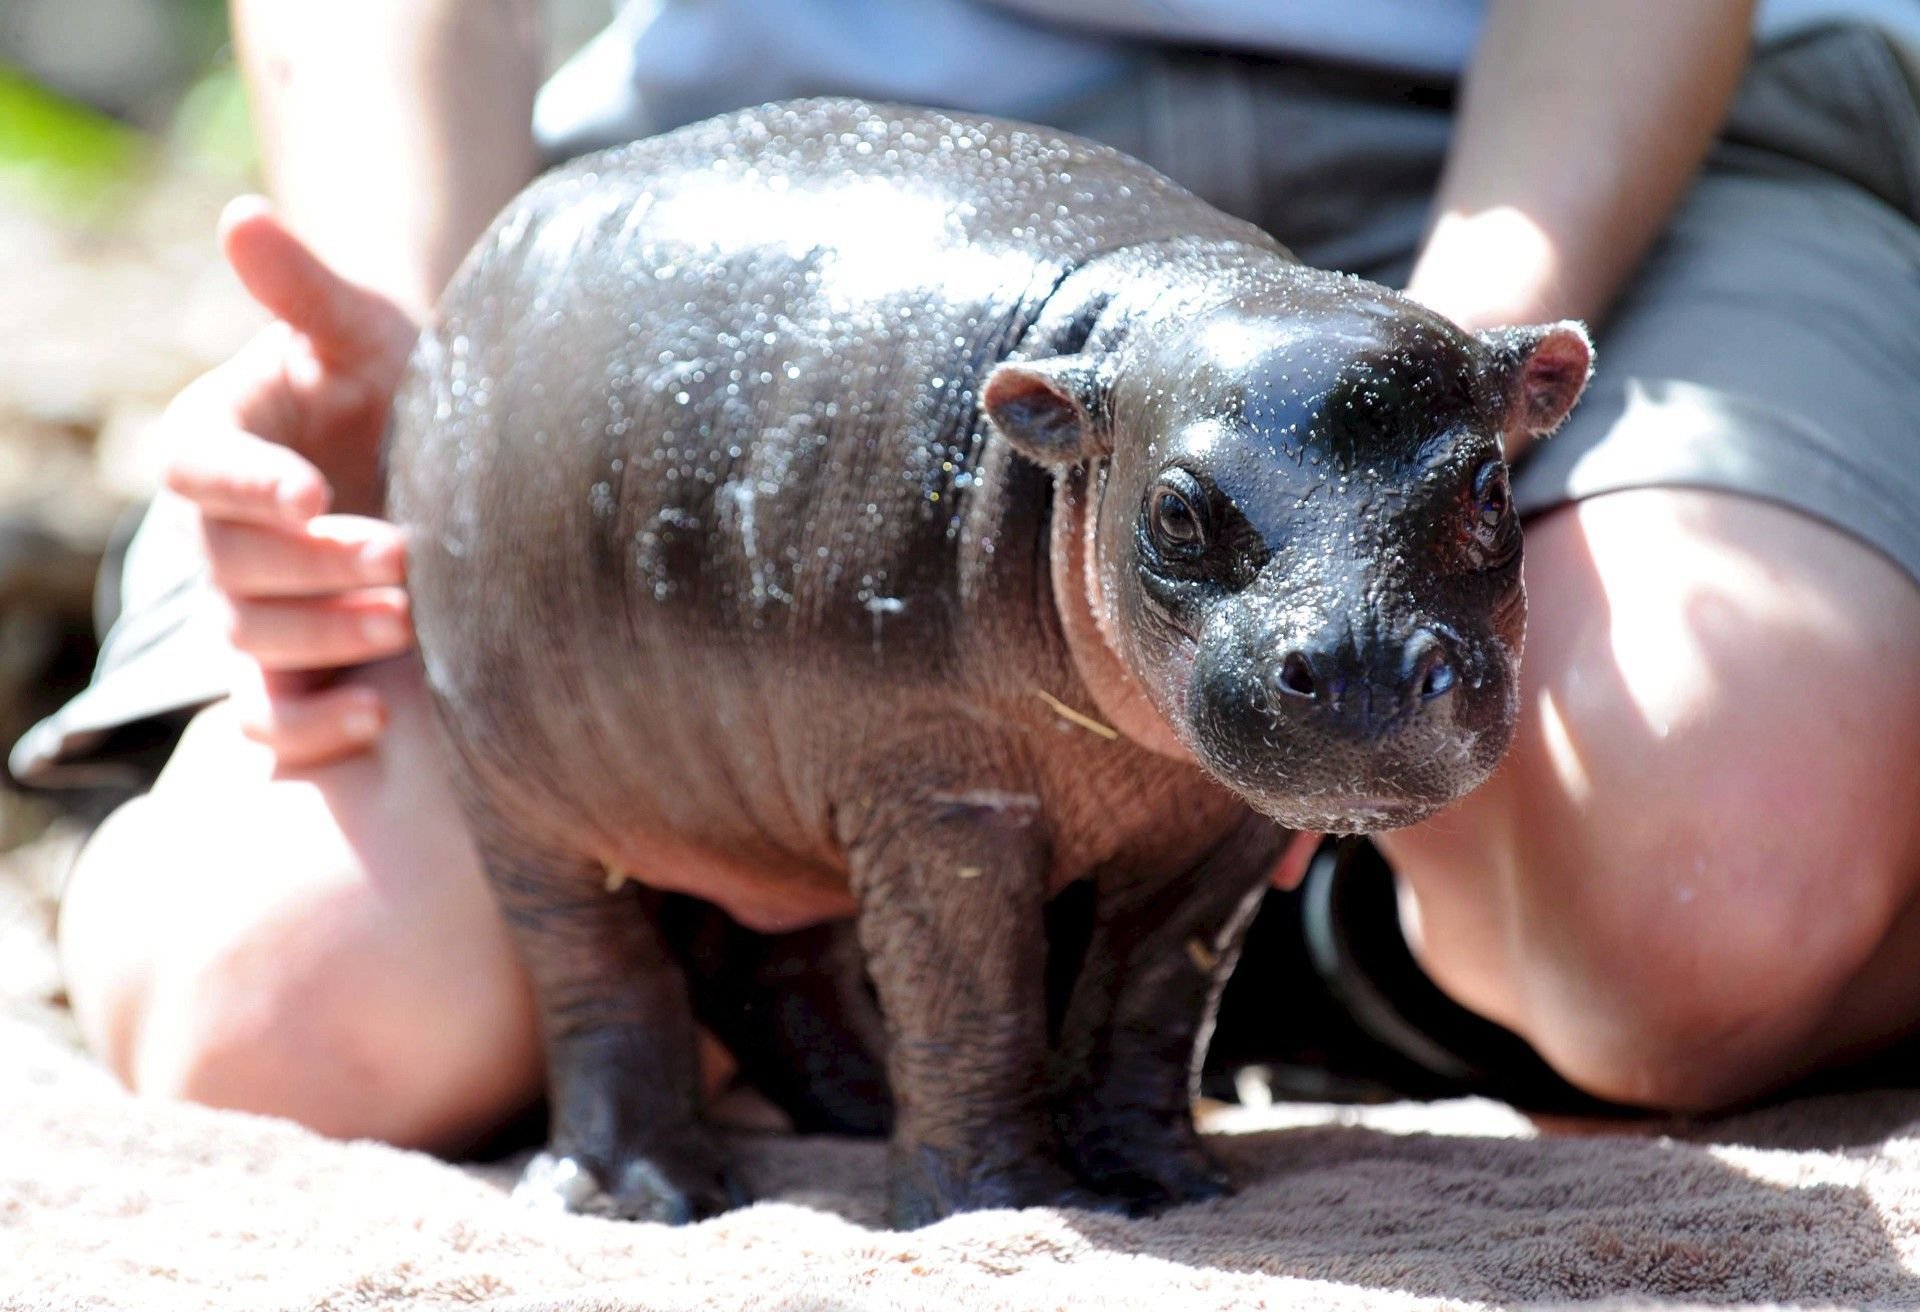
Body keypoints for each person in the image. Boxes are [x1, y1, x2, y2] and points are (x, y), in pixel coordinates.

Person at [16, 0, 1920, 1153]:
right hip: (772, 214)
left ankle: (1168, 917)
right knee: (293, 1007)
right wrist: (429, 366)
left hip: (1551, 164)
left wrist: (1410, 401)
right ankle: (1123, 918)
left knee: (1712, 897)